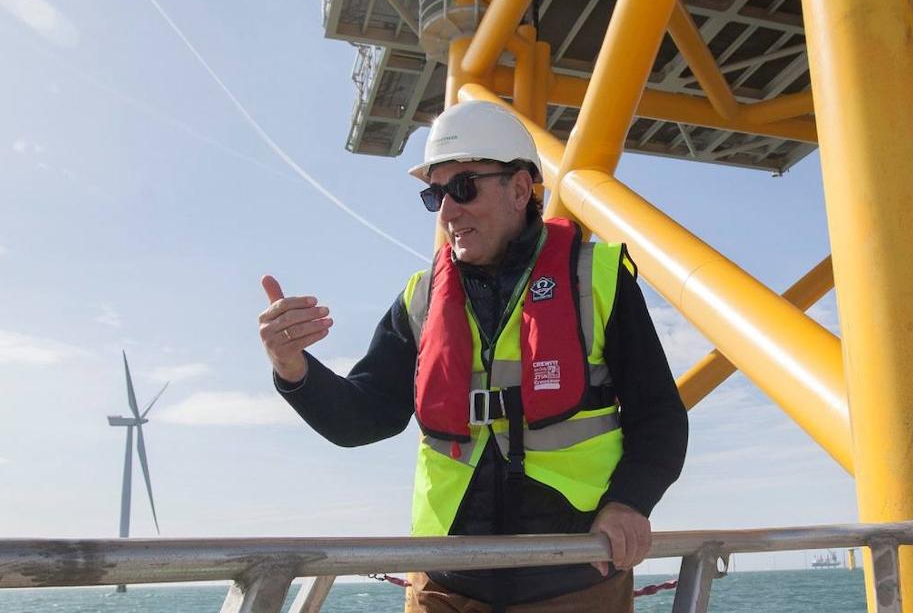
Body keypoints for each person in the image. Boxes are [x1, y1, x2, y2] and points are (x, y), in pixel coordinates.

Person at [258, 100, 687, 612]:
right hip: (446, 586)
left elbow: (659, 417)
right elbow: (363, 419)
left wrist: (628, 504)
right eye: (435, 194)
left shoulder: (599, 280)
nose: (447, 210)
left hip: (575, 582)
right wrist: (293, 368)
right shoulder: (419, 300)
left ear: (521, 188)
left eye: (463, 188)